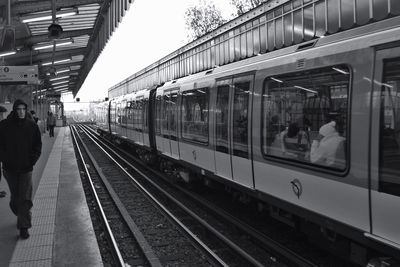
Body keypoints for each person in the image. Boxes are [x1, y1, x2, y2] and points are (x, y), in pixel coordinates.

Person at [0, 99, 42, 239]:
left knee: (24, 198)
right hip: (9, 169)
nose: (21, 112)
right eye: (18, 109)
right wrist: (5, 158)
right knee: (15, 199)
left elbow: (37, 146)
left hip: (26, 168)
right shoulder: (4, 126)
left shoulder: (32, 126)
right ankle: (22, 215)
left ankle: (24, 227)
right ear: (14, 110)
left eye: (23, 109)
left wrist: (32, 160)